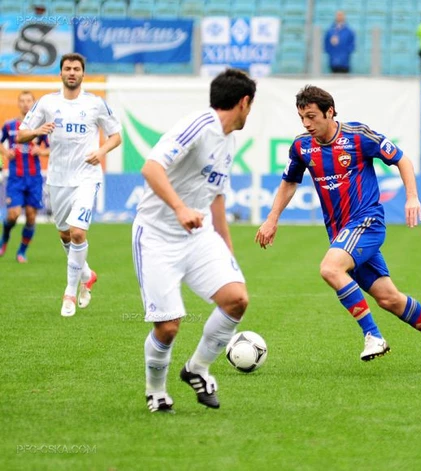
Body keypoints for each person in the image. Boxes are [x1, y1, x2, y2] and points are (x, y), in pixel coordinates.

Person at [255, 85, 421, 374]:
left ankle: (373, 335)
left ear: (330, 112)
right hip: (341, 233)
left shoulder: (358, 136)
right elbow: (290, 181)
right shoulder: (302, 146)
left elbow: (402, 159)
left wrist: (412, 197)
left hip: (367, 223)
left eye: (311, 116)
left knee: (330, 268)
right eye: (302, 117)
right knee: (389, 298)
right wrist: (272, 218)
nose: (306, 123)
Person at [133, 69, 256, 413]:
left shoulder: (228, 140)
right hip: (156, 236)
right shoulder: (199, 125)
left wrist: (227, 249)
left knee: (236, 299)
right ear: (244, 102)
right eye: (251, 106)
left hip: (199, 236)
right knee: (168, 327)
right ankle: (156, 390)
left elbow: (217, 198)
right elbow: (151, 167)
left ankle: (197, 368)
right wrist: (179, 208)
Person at [18, 53, 121, 317]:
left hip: (87, 177)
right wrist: (37, 131)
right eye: (67, 68)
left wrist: (101, 151)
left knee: (77, 233)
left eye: (76, 69)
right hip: (58, 179)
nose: (72, 72)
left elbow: (116, 136)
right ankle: (87, 274)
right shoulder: (47, 102)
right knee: (65, 235)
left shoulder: (95, 103)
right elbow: (21, 134)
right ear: (61, 73)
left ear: (83, 73)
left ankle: (70, 292)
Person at [0, 91, 50, 262]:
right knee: (13, 215)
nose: (25, 104)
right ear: (18, 104)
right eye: (22, 101)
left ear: (34, 103)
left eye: (29, 101)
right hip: (15, 178)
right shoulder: (9, 126)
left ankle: (21, 252)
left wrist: (41, 151)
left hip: (34, 179)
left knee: (30, 216)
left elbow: (52, 148)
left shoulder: (40, 128)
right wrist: (5, 152)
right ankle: (4, 238)